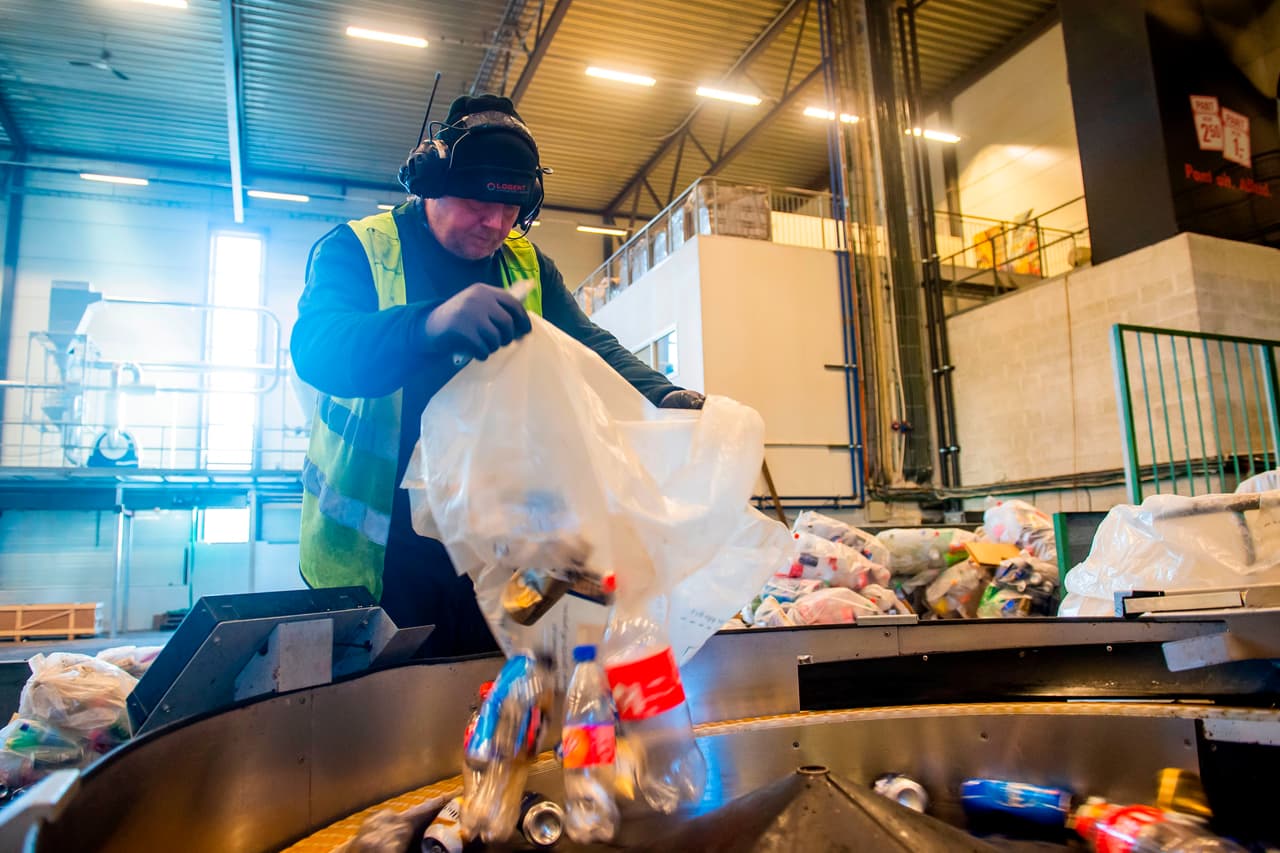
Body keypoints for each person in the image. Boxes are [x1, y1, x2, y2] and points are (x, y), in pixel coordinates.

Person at [291, 93, 703, 656]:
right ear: (430, 183)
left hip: (506, 543)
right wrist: (430, 325)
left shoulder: (526, 263)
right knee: (393, 721)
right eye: (476, 202)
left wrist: (663, 393)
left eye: (510, 208)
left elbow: (587, 343)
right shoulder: (359, 250)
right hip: (385, 558)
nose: (495, 222)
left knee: (515, 700)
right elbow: (317, 348)